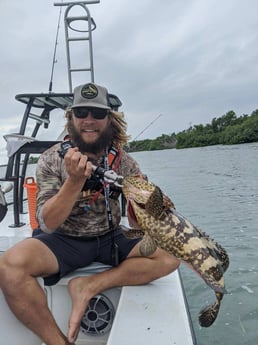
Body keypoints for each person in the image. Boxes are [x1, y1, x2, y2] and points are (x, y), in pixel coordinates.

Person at [0, 82, 180, 345]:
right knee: (9, 267)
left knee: (172, 253)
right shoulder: (51, 159)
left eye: (98, 114)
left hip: (111, 237)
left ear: (109, 119)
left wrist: (151, 204)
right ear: (71, 117)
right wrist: (73, 181)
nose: (89, 120)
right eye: (81, 112)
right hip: (64, 240)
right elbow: (47, 223)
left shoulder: (125, 161)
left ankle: (89, 285)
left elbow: (135, 220)